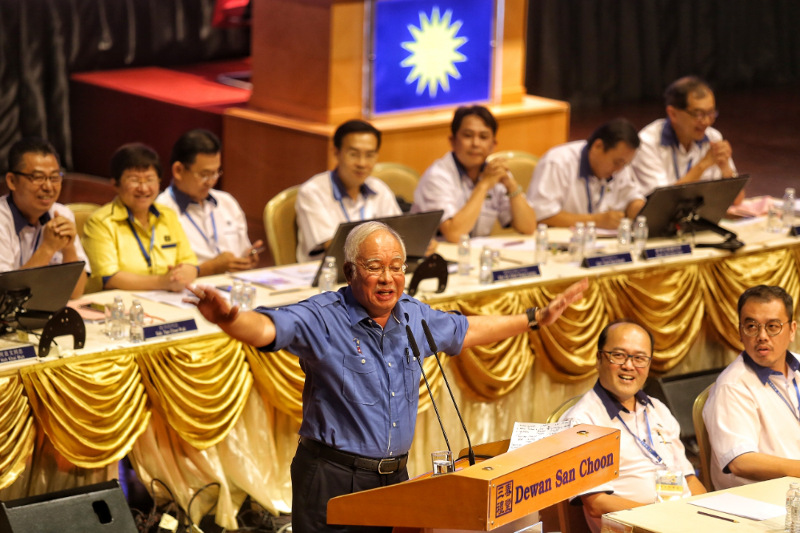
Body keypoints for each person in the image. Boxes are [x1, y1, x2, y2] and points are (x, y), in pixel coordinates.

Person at [187, 221, 588, 533]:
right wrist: (229, 319)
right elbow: (266, 330)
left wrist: (534, 319)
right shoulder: (323, 317)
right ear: (349, 271)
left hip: (397, 478)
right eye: (374, 267)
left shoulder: (413, 314)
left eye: (396, 267)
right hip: (332, 478)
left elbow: (465, 330)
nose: (388, 278)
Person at [560, 320, 705, 532]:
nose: (629, 366)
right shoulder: (582, 422)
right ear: (599, 359)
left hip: (683, 522)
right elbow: (597, 504)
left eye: (639, 358)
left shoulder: (657, 409)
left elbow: (690, 479)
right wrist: (661, 521)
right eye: (618, 355)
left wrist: (707, 517)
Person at [703, 285, 800, 490]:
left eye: (773, 326)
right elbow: (740, 461)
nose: (762, 336)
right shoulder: (732, 386)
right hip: (764, 501)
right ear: (740, 332)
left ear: (792, 330)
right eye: (752, 327)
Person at [411, 105, 537, 242]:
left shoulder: (494, 173)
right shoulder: (437, 176)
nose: (476, 143)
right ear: (453, 141)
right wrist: (483, 186)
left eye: (483, 137)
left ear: (493, 145)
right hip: (437, 259)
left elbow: (528, 227)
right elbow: (455, 234)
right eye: (468, 136)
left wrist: (510, 185)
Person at [83, 143, 198, 292]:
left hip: (168, 300)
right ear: (115, 184)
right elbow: (109, 278)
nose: (143, 188)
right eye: (134, 180)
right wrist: (162, 282)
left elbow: (191, 264)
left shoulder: (167, 215)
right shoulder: (100, 222)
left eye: (150, 179)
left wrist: (178, 277)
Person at [156, 129, 262, 275]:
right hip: (191, 292)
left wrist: (247, 259)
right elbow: (165, 274)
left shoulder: (227, 202)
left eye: (216, 173)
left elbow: (243, 251)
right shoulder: (161, 211)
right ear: (178, 170)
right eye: (204, 175)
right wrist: (211, 268)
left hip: (235, 286)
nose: (211, 182)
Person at [295, 120, 402, 263]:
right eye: (354, 154)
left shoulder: (379, 189)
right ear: (336, 153)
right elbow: (334, 248)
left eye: (370, 155)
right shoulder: (312, 193)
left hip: (374, 271)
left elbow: (398, 237)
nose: (362, 163)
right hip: (329, 277)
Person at [0, 137, 89, 298]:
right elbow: (6, 296)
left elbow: (75, 293)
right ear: (12, 181)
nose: (48, 187)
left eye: (54, 177)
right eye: (38, 177)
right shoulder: (2, 219)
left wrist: (68, 249)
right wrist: (47, 249)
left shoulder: (62, 214)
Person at [631, 76, 742, 203]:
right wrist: (702, 166)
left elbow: (737, 200)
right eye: (698, 114)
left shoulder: (713, 137)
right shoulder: (647, 142)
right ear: (673, 114)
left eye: (711, 113)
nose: (706, 122)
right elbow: (661, 203)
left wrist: (726, 169)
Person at [526, 119, 645, 230]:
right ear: (598, 146)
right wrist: (596, 221)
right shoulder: (557, 163)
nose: (619, 169)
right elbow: (540, 215)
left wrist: (638, 209)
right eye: (617, 162)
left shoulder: (620, 167)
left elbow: (632, 197)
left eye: (624, 164)